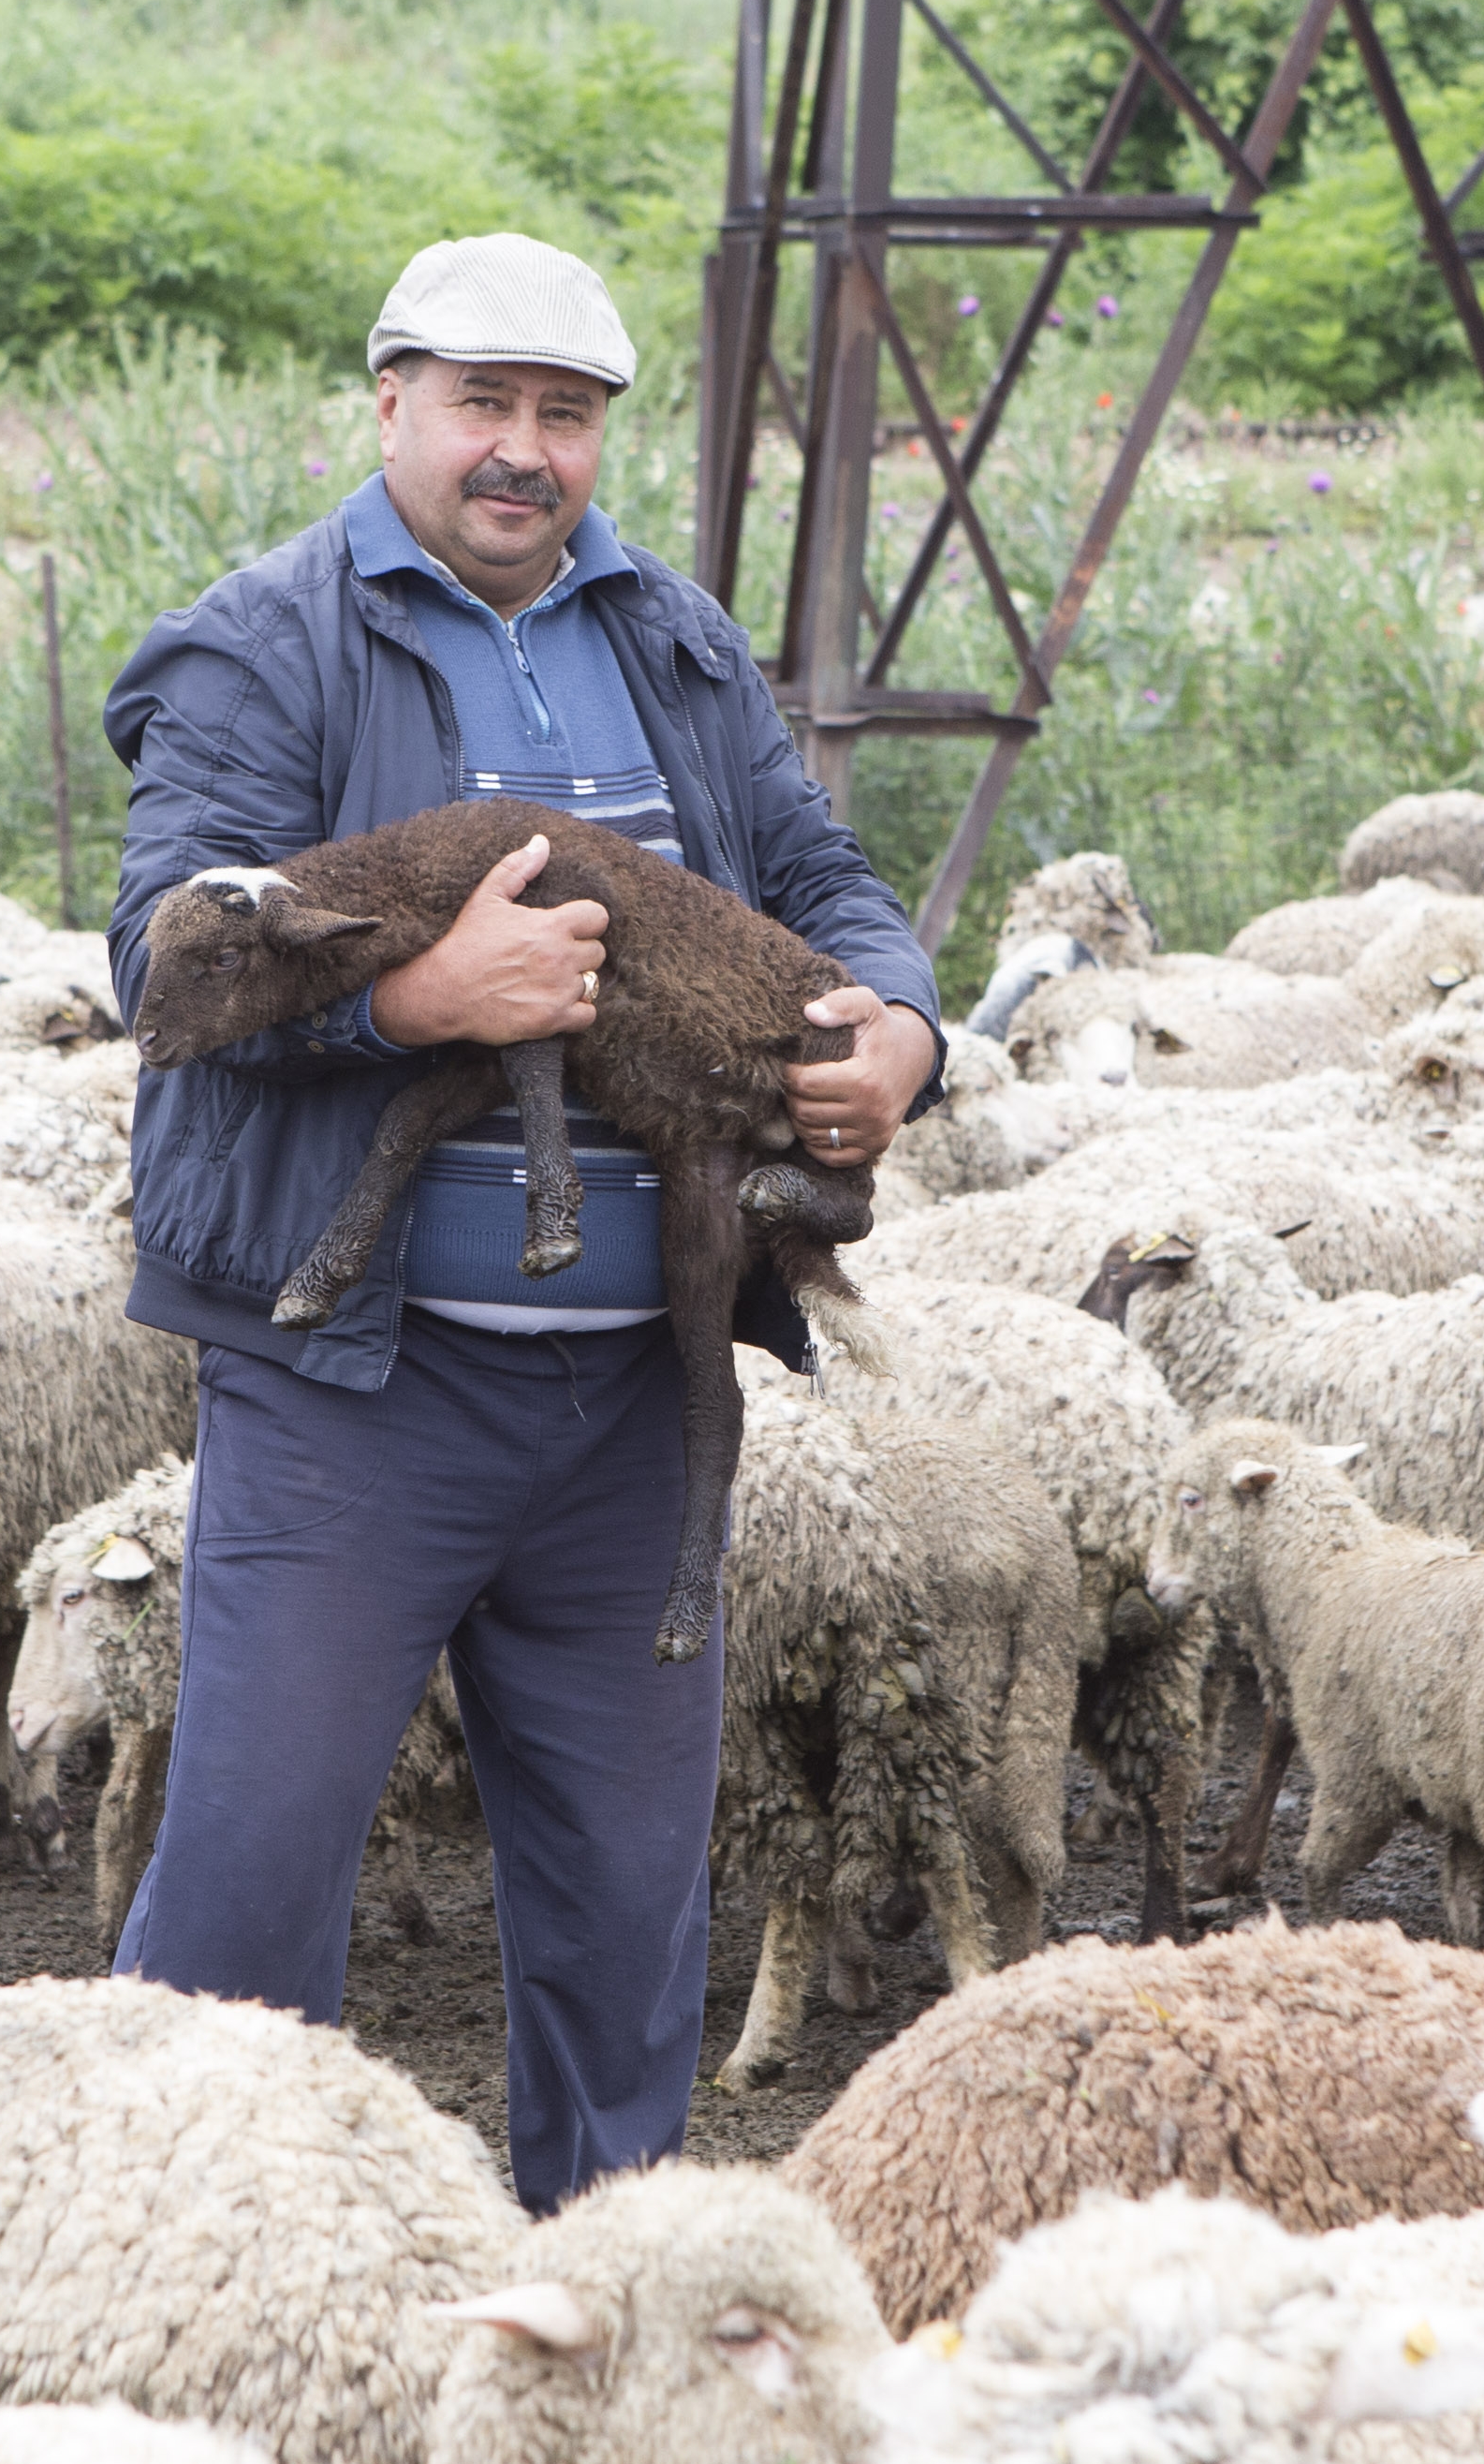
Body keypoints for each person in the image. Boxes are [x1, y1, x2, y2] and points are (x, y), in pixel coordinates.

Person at [98, 232, 945, 2211]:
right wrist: (409, 1004)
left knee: (629, 1922)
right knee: (244, 1894)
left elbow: (824, 865)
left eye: (563, 416)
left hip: (630, 1409)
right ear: (388, 401)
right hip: (358, 1393)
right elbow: (162, 953)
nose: (522, 452)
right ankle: (172, 2300)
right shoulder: (268, 642)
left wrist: (901, 1024)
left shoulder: (672, 636)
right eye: (482, 402)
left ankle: (598, 2344)